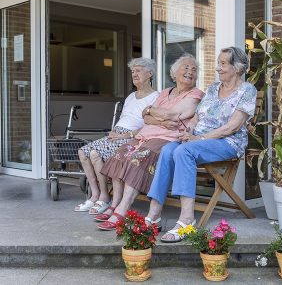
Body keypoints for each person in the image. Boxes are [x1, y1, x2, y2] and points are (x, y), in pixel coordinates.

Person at [144, 47, 257, 242]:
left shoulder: (247, 90)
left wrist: (199, 139)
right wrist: (189, 131)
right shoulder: (213, 88)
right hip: (198, 141)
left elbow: (232, 127)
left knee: (184, 151)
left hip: (227, 143)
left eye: (223, 64)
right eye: (218, 63)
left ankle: (187, 220)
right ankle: (154, 216)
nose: (217, 68)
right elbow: (196, 117)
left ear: (236, 68)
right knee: (168, 149)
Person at [97, 53, 204, 230]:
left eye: (193, 70)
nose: (190, 72)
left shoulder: (195, 94)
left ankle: (121, 212)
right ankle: (114, 205)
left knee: (138, 157)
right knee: (120, 154)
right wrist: (156, 116)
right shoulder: (165, 93)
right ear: (174, 72)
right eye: (185, 67)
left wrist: (153, 113)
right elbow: (145, 116)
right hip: (145, 134)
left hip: (166, 139)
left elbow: (169, 114)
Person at [74, 58, 160, 215]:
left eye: (138, 70)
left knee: (95, 154)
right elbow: (124, 118)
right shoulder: (131, 96)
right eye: (133, 71)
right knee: (82, 152)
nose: (134, 74)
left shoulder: (156, 97)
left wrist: (125, 135)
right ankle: (95, 195)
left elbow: (150, 124)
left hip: (132, 137)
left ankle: (105, 198)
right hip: (118, 134)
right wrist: (114, 132)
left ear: (150, 73)